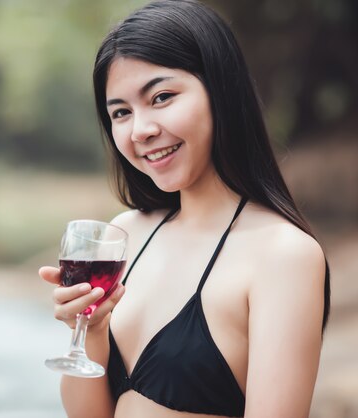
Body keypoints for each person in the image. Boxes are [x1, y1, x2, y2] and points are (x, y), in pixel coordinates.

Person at [39, 0, 331, 417]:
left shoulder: (282, 255)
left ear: (221, 90)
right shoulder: (126, 234)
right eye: (121, 112)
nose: (141, 130)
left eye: (161, 97)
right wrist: (92, 329)